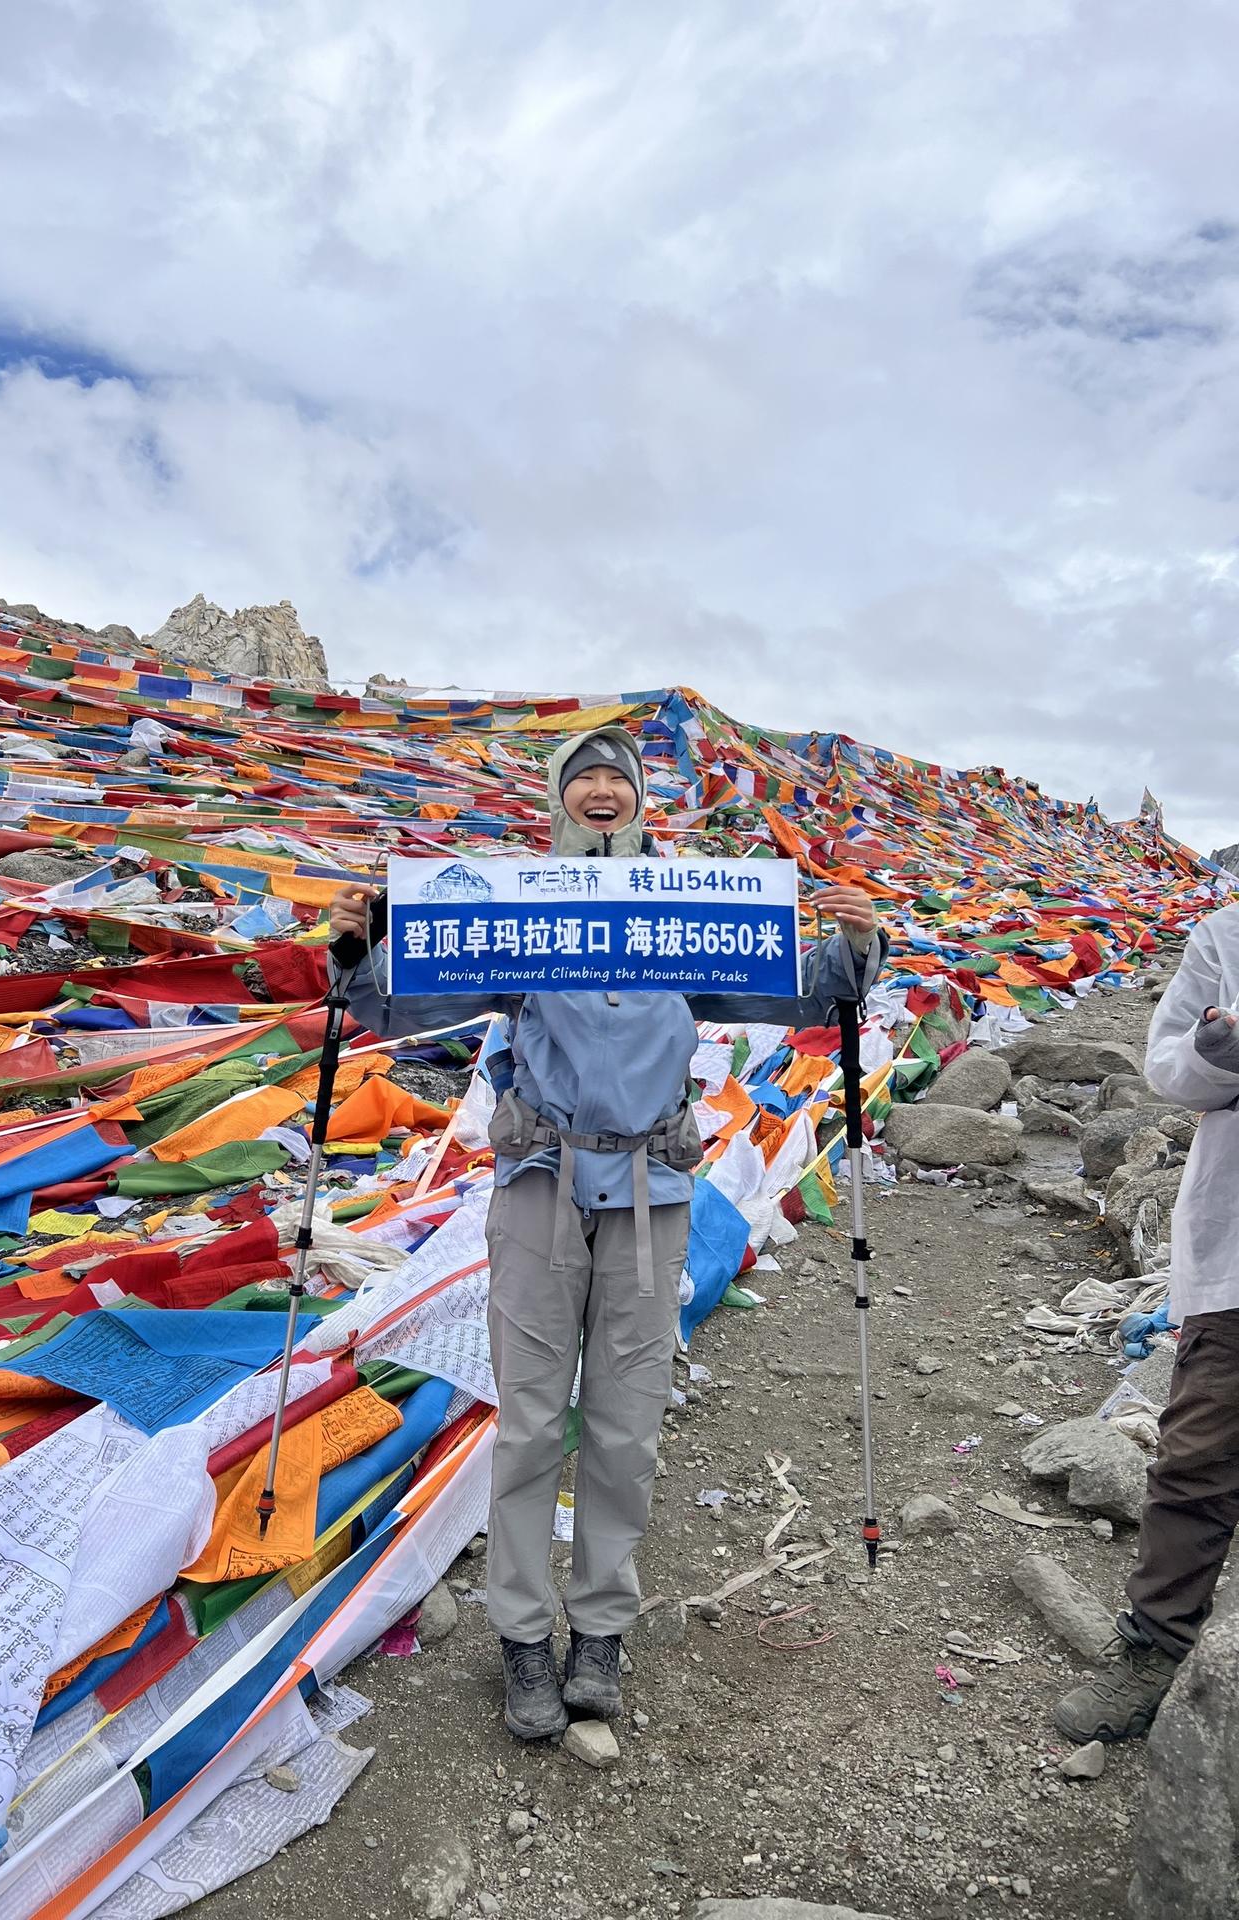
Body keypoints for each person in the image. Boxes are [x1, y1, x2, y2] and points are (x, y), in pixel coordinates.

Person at [329, 725, 885, 1739]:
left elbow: (804, 990)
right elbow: (402, 1008)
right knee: (536, 1421)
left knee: (627, 1428)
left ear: (640, 802)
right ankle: (523, 1639)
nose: (599, 790)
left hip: (652, 1193)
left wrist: (851, 943)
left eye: (617, 779)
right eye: (580, 776)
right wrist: (363, 942)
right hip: (541, 1185)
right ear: (557, 797)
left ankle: (600, 1632)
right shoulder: (517, 910)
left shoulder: (690, 915)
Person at [1056, 901, 1239, 1744]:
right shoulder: (1228, 935)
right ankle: (1155, 1648)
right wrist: (1217, 1051)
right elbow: (1168, 1066)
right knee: (1199, 1452)